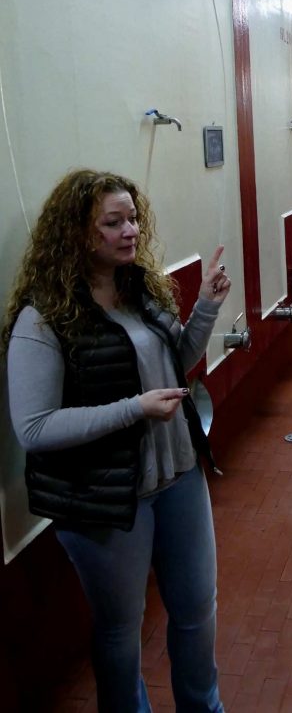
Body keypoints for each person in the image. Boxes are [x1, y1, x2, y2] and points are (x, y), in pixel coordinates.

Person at [2, 169, 231, 713]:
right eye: (114, 222)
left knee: (198, 611)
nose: (131, 231)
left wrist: (207, 307)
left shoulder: (142, 291)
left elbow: (177, 360)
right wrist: (133, 410)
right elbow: (34, 429)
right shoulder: (45, 319)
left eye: (132, 218)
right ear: (79, 234)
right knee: (120, 635)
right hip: (103, 498)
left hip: (178, 478)